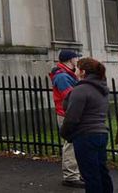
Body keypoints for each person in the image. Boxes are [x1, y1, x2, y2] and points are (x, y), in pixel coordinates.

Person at [59, 57, 114, 193]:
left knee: (90, 175)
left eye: (77, 69)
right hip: (101, 133)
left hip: (85, 135)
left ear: (83, 72)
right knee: (101, 171)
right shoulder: (102, 88)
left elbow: (72, 117)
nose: (75, 71)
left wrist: (65, 133)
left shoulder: (81, 89)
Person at [49, 49, 83, 187]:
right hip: (66, 114)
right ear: (70, 60)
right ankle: (70, 176)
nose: (78, 61)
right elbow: (70, 97)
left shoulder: (68, 75)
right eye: (76, 58)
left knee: (75, 144)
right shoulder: (62, 76)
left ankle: (75, 174)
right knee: (71, 144)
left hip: (69, 113)